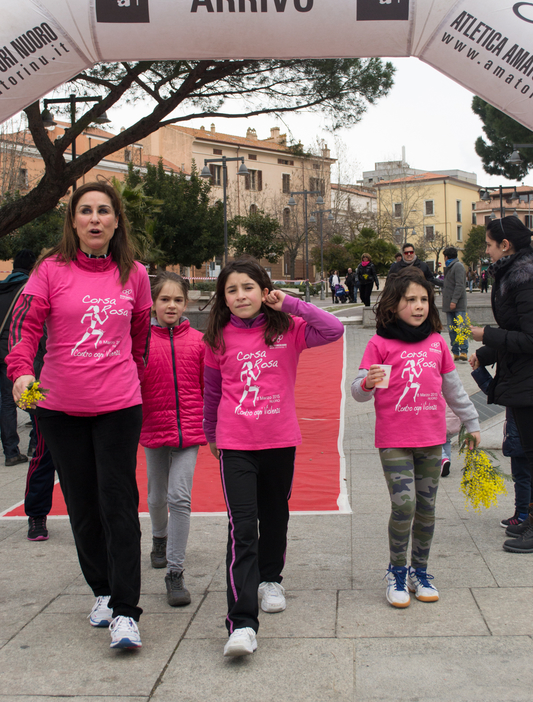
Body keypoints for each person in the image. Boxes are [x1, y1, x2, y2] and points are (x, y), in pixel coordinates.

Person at [6, 181, 152, 650]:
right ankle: (104, 592)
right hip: (57, 408)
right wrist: (20, 373)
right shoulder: (50, 270)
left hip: (118, 408)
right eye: (85, 211)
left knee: (119, 504)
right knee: (83, 507)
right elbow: (23, 326)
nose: (94, 219)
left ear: (116, 221)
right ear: (73, 220)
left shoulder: (136, 275)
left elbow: (142, 340)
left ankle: (127, 612)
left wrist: (134, 385)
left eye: (103, 211)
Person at [202, 257, 344, 657]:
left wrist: (292, 304)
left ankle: (270, 580)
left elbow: (332, 329)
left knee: (275, 515)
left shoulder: (289, 328)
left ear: (263, 291)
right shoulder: (216, 336)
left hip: (280, 441)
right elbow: (212, 391)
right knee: (242, 528)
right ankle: (242, 624)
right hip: (236, 444)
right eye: (231, 289)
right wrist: (211, 433)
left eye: (248, 287)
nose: (240, 295)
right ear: (223, 298)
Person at [351, 267, 480, 608]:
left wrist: (473, 423)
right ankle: (396, 570)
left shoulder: (437, 342)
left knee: (427, 509)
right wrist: (366, 382)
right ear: (394, 305)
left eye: (424, 299)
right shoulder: (380, 343)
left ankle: (419, 572)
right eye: (411, 299)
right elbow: (358, 392)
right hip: (393, 439)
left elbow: (454, 390)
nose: (419, 306)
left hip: (431, 439)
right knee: (404, 506)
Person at [140, 271, 205, 607]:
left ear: (186, 303)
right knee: (155, 496)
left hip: (189, 431)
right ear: (152, 303)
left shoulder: (199, 341)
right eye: (164, 299)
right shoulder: (141, 342)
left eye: (178, 299)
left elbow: (210, 386)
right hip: (153, 428)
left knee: (179, 496)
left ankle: (175, 572)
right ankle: (159, 538)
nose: (171, 305)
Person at [469, 216, 533, 553]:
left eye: (489, 245)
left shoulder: (525, 279)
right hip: (521, 377)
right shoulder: (514, 274)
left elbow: (529, 337)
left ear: (504, 246)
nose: (487, 251)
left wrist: (486, 334)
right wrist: (486, 351)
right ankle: (529, 520)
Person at [470, 359, 532, 528]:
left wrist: (479, 370)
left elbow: (494, 391)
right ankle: (524, 514)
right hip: (520, 437)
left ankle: (522, 514)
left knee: (522, 478)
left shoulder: (518, 386)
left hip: (519, 438)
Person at [0, 249, 36, 466]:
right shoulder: (29, 289)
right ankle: (36, 442)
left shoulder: (2, 286)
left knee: (5, 401)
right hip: (17, 352)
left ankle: (11, 450)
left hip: (1, 352)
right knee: (33, 394)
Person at [442, 246, 468, 363]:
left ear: (446, 257)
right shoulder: (449, 267)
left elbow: (460, 285)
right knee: (452, 329)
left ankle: (463, 350)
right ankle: (455, 352)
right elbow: (447, 284)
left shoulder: (458, 266)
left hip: (457, 304)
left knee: (460, 327)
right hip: (449, 304)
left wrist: (454, 301)